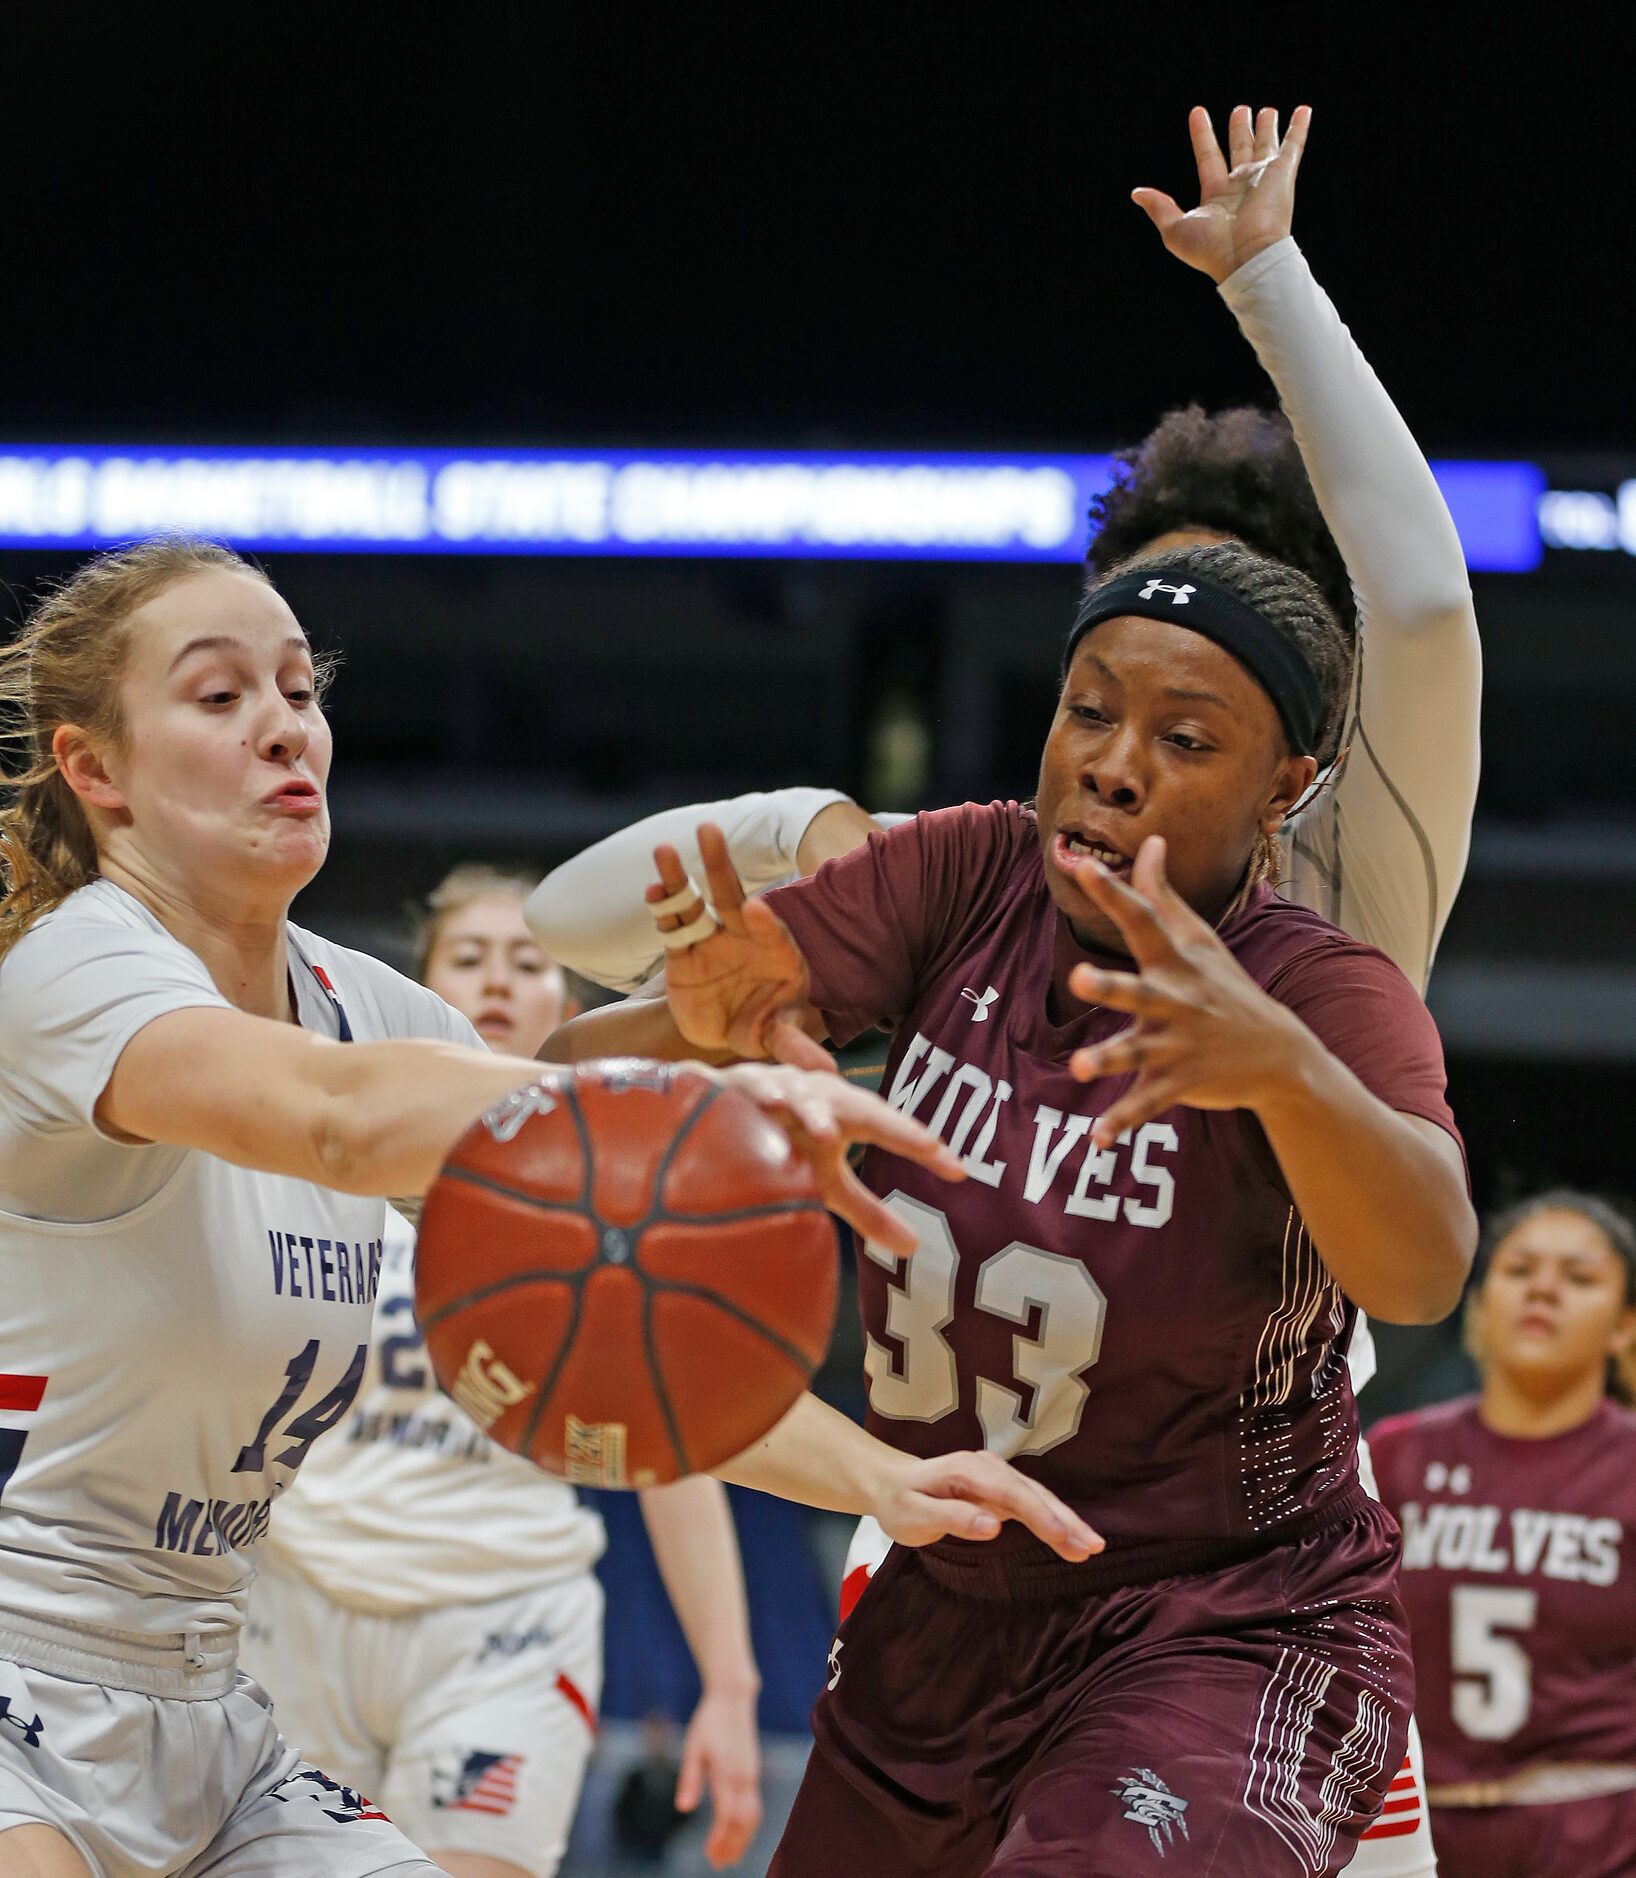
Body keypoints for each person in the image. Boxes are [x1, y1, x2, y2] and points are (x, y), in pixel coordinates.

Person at [525, 105, 1478, 1872]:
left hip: (1229, 1616)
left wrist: (1267, 276)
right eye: (1090, 701)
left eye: (1186, 726)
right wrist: (679, 1010)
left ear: (1292, 774)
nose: (1114, 759)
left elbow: (1419, 602)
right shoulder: (958, 868)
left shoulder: (1337, 933)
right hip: (952, 1588)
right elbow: (586, 1034)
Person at [0, 537, 1092, 1878]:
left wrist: (885, 1474)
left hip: (209, 1702)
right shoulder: (70, 967)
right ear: (92, 768)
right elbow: (339, 1119)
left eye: (300, 687)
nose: (285, 724)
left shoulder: (353, 999)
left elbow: (600, 1233)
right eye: (221, 697)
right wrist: (693, 1106)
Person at [241, 866, 765, 1878]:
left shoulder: (616, 1201)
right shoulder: (325, 1160)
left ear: (564, 1011)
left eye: (525, 963)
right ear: (416, 991)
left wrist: (731, 1688)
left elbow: (674, 1452)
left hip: (503, 1623)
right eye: (467, 959)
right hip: (299, 1604)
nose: (494, 981)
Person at [1369, 1193, 1636, 1878]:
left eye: (1578, 1278)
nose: (1543, 1289)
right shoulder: (1391, 1456)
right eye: (1519, 1271)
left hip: (1598, 1829)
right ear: (1481, 1302)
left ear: (1625, 1325)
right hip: (1414, 1828)